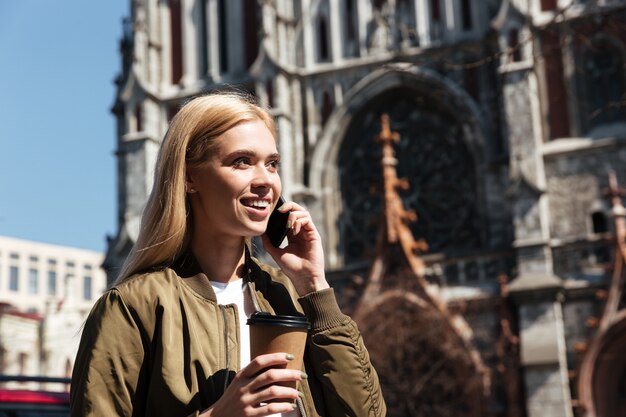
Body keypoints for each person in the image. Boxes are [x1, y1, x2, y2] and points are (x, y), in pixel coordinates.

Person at [70, 92, 386, 417]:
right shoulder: (133, 307)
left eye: (272, 164)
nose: (265, 181)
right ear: (189, 177)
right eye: (242, 162)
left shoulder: (290, 295)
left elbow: (369, 413)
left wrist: (314, 284)